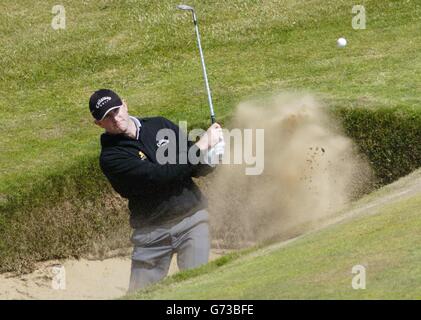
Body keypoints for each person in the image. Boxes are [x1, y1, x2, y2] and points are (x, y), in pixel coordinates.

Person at [88, 88, 224, 292]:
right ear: (98, 124)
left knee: (199, 288)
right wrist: (202, 145)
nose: (115, 119)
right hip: (151, 235)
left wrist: (212, 158)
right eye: (106, 117)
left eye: (116, 111)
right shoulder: (111, 158)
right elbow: (159, 175)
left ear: (125, 105)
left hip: (191, 220)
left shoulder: (160, 125)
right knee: (140, 295)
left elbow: (193, 167)